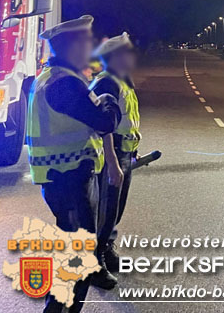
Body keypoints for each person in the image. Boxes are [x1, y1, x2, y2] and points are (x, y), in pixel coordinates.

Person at [26, 15, 121, 313]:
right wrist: (109, 97)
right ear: (70, 46)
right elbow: (105, 121)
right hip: (67, 181)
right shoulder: (64, 84)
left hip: (64, 179)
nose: (91, 45)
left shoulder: (57, 77)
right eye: (85, 41)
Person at [89, 32, 141, 274]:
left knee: (115, 209)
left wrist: (133, 153)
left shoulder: (123, 81)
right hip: (113, 154)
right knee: (106, 211)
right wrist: (111, 162)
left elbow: (127, 121)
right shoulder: (106, 83)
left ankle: (106, 250)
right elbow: (103, 125)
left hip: (125, 153)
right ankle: (96, 260)